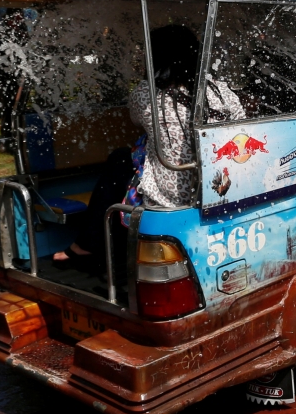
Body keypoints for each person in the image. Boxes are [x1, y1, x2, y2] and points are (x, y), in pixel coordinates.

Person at [53, 24, 244, 270]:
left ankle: (87, 243)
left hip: (169, 199)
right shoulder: (222, 92)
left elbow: (136, 120)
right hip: (220, 191)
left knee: (121, 159)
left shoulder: (147, 94)